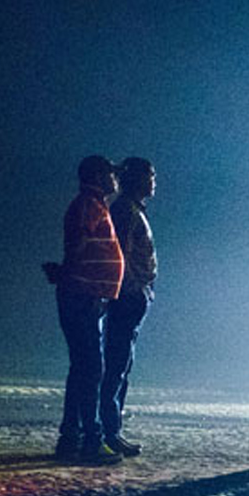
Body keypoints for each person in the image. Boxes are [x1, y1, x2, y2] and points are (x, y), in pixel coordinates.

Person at [43, 155, 125, 462]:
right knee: (90, 369)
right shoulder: (88, 205)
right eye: (112, 174)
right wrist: (69, 273)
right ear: (99, 176)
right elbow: (79, 242)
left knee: (84, 368)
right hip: (83, 296)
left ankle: (73, 439)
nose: (116, 180)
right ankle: (90, 441)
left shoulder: (93, 204)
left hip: (87, 294)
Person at [99, 157, 157, 458]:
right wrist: (132, 290)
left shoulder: (132, 211)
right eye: (150, 176)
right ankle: (108, 431)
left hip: (133, 296)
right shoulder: (126, 212)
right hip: (127, 297)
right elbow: (119, 255)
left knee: (122, 366)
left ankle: (111, 429)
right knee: (116, 366)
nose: (154, 182)